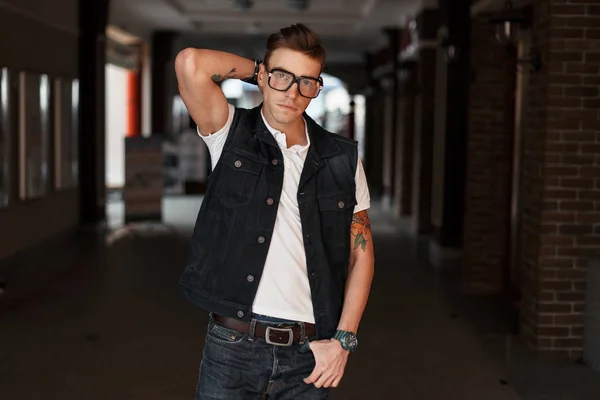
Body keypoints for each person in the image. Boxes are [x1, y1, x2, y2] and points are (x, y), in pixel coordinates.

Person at [175, 23, 375, 400]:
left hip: (309, 352)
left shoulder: (341, 158)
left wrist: (343, 340)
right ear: (263, 75)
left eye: (306, 82)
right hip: (232, 346)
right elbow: (190, 63)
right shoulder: (230, 132)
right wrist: (263, 73)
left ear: (316, 88)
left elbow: (361, 253)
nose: (293, 93)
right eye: (282, 76)